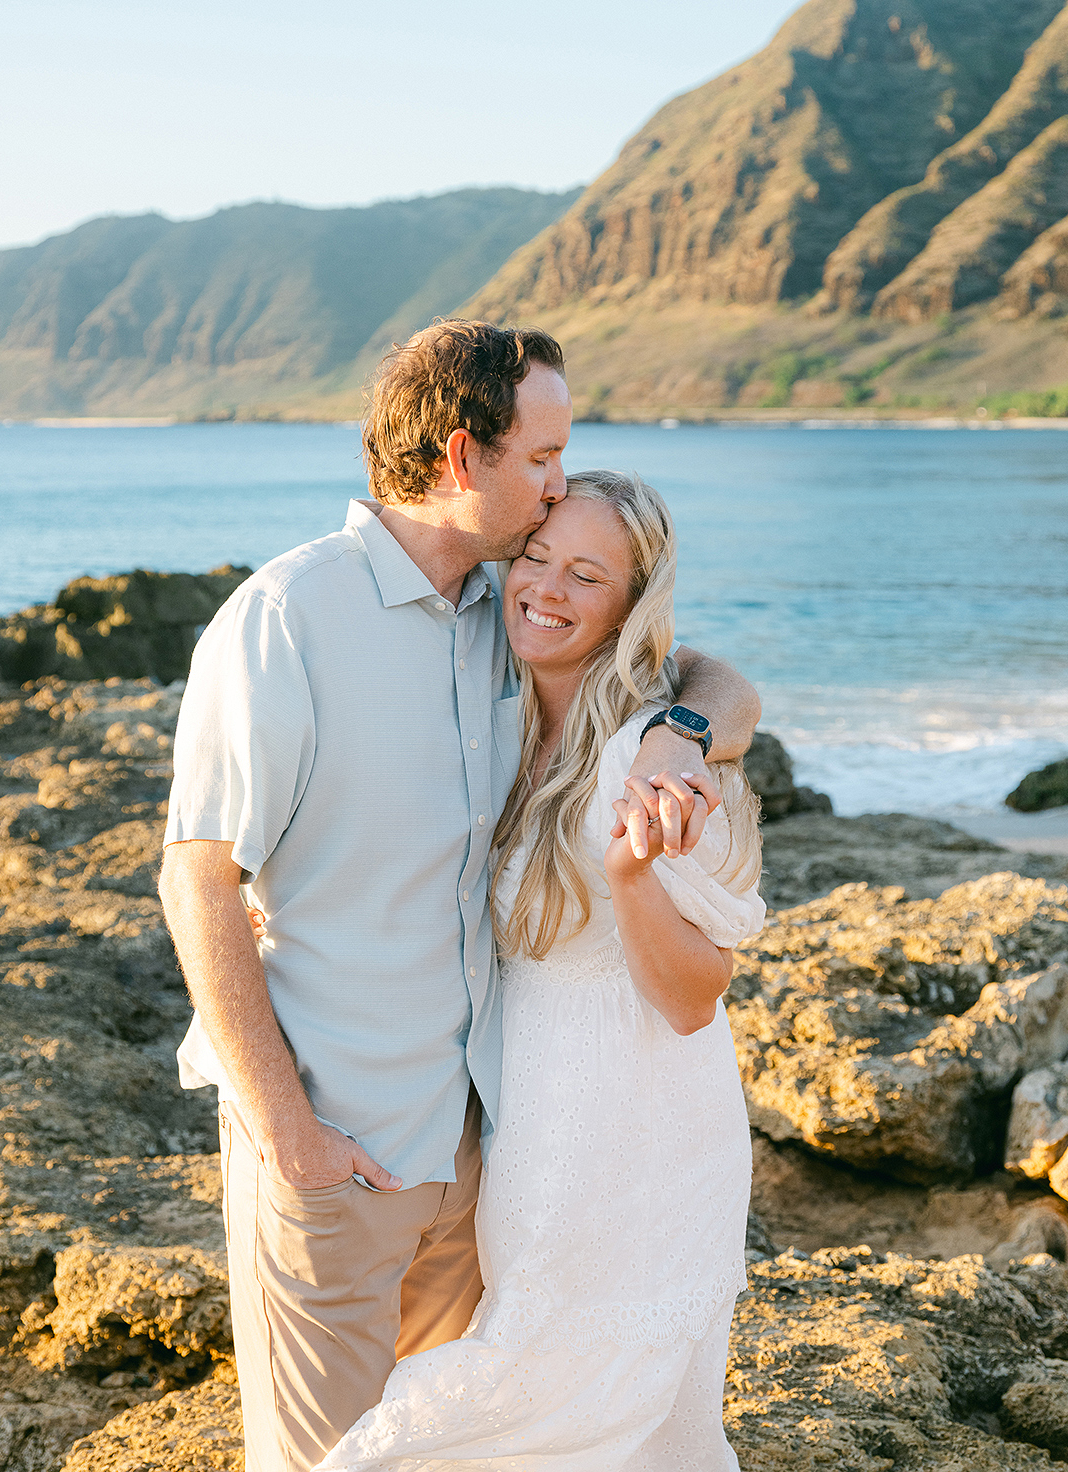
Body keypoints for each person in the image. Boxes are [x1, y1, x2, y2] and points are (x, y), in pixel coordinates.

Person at [157, 320, 762, 1472]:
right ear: (457, 454)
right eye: (541, 457)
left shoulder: (502, 612)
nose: (555, 489)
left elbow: (684, 666)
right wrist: (289, 1129)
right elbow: (198, 877)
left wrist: (685, 736)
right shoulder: (287, 619)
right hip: (338, 1142)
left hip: (481, 1153)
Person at [310, 470, 763, 1472]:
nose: (546, 588)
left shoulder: (664, 771)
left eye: (586, 574)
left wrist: (631, 875)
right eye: (536, 558)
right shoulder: (499, 710)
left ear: (631, 602)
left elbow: (693, 999)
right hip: (533, 1127)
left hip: (639, 1144)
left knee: (561, 1402)